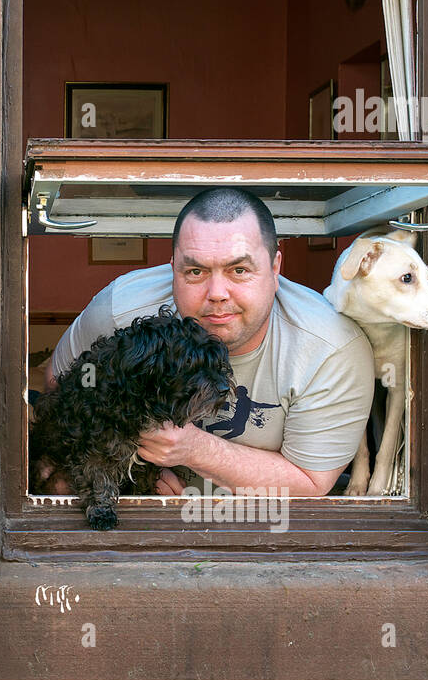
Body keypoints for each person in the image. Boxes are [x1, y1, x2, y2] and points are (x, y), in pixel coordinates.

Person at [48, 187, 374, 497]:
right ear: (173, 266)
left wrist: (196, 450)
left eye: (239, 270)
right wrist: (135, 470)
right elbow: (60, 388)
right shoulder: (119, 312)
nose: (217, 294)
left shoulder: (330, 350)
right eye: (195, 272)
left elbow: (310, 480)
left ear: (275, 268)